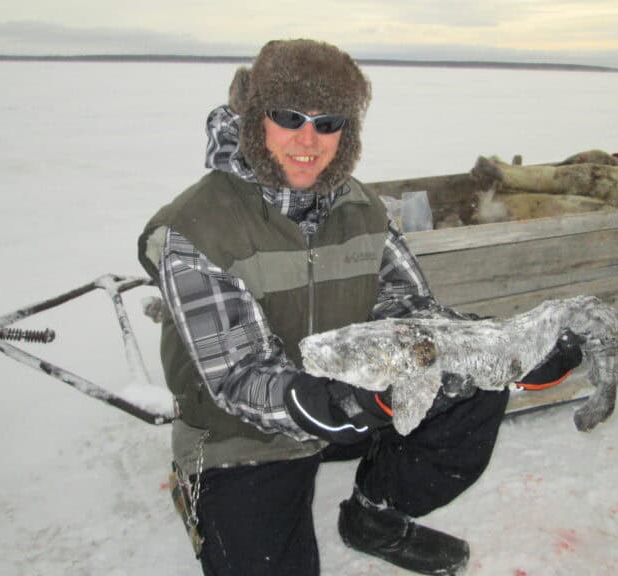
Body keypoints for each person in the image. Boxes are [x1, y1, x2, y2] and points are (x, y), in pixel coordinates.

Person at [138, 39, 581, 576]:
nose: (309, 139)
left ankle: (374, 515)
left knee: (475, 387)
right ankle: (205, 492)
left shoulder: (360, 207)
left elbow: (412, 312)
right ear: (256, 119)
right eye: (288, 117)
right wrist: (342, 402)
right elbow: (240, 378)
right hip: (241, 434)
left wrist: (504, 348)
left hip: (351, 405)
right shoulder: (195, 227)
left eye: (328, 122)